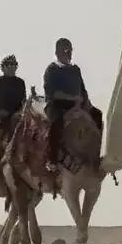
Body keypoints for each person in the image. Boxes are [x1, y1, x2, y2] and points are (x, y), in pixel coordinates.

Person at [43, 38, 103, 172]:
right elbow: (53, 93)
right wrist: (72, 98)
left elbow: (83, 89)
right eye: (65, 50)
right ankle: (51, 159)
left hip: (77, 105)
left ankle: (98, 153)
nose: (68, 53)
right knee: (56, 124)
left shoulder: (75, 70)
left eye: (70, 49)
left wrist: (86, 103)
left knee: (98, 115)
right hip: (57, 106)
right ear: (57, 52)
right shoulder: (52, 70)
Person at [0, 55, 27, 133]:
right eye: (9, 66)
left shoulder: (20, 82)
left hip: (17, 114)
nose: (12, 68)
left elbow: (23, 100)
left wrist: (20, 112)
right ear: (3, 68)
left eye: (14, 65)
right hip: (2, 114)